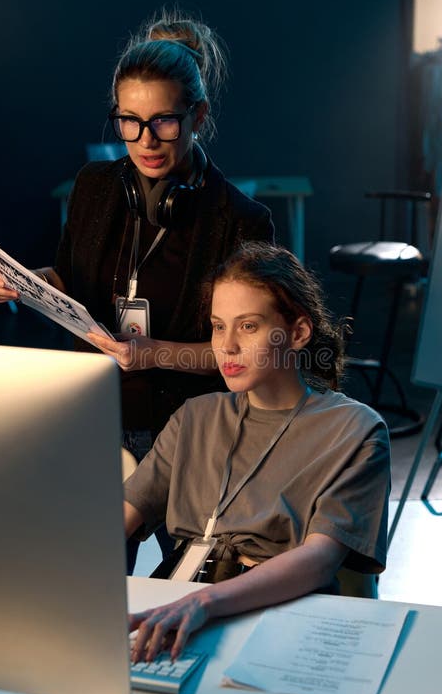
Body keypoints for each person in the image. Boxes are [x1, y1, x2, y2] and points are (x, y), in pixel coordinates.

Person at [0, 10, 274, 570]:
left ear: (198, 115)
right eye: (128, 122)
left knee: (190, 592)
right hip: (98, 420)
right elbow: (68, 280)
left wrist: (152, 353)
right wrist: (18, 284)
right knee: (86, 580)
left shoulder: (241, 221)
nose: (144, 141)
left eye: (163, 122)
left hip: (193, 436)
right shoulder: (94, 187)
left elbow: (249, 355)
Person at [122, 242, 390, 663]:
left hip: (275, 616)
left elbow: (320, 559)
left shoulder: (354, 430)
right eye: (217, 326)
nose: (226, 346)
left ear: (298, 333)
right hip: (179, 603)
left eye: (248, 327)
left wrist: (204, 603)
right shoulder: (196, 416)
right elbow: (118, 520)